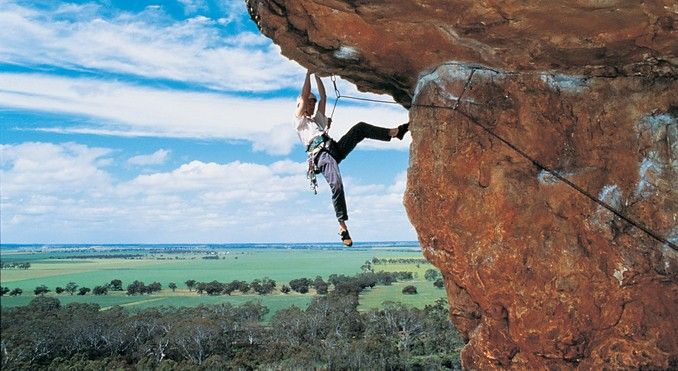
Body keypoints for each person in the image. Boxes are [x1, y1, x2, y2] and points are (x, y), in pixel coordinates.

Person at [295, 70, 409, 246]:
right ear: (303, 105)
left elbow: (324, 96)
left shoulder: (316, 120)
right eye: (310, 103)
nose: (312, 105)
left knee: (360, 128)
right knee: (337, 184)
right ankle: (342, 226)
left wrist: (317, 74)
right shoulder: (300, 122)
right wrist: (308, 73)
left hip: (334, 149)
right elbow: (303, 96)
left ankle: (395, 132)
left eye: (313, 102)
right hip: (322, 156)